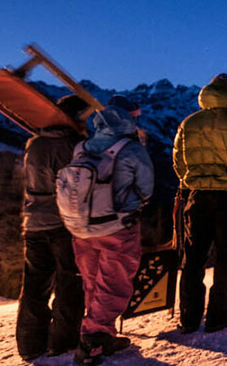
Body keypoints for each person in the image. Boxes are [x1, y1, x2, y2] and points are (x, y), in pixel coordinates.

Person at [172, 74, 227, 334]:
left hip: (197, 197)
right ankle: (219, 314)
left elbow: (178, 163)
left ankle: (189, 317)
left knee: (193, 257)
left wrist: (192, 182)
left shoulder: (189, 123)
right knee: (226, 257)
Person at [71, 103, 154, 365]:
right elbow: (146, 190)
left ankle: (100, 331)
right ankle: (94, 341)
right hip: (118, 226)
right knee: (114, 283)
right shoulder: (132, 149)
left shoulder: (82, 146)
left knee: (92, 281)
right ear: (130, 118)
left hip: (82, 227)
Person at [17, 95, 88, 360]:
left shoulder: (34, 144)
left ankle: (29, 344)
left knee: (35, 285)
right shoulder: (73, 145)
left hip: (34, 222)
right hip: (63, 223)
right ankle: (63, 340)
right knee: (69, 282)